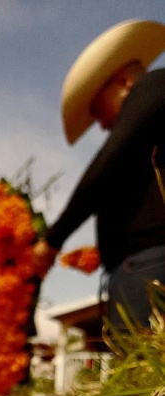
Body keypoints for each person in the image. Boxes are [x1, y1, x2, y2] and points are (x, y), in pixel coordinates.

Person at [34, 19, 165, 330]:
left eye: (98, 111)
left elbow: (110, 161)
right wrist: (107, 249)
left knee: (144, 371)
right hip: (142, 262)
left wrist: (51, 241)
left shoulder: (153, 85)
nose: (102, 125)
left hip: (149, 267)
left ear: (124, 82)